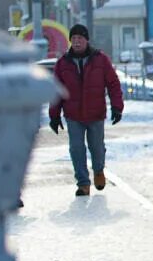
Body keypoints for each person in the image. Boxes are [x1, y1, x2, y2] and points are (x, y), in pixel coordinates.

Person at [49, 24, 123, 196]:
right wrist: (54, 115)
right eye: (73, 39)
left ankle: (98, 171)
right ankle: (83, 183)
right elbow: (56, 90)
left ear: (86, 40)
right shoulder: (62, 63)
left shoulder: (100, 59)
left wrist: (117, 107)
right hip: (73, 115)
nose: (77, 42)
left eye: (80, 38)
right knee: (76, 149)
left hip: (95, 113)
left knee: (96, 147)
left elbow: (113, 84)